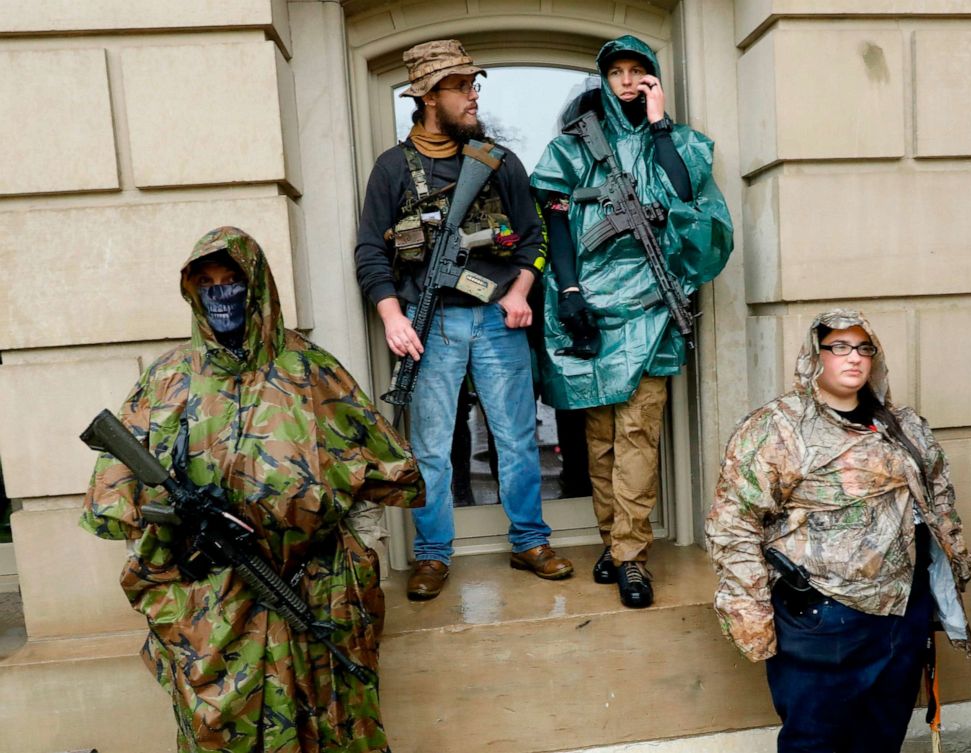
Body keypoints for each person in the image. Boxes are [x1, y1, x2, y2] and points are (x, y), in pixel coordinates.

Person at [81, 227, 424, 753]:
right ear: (191, 292)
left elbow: (382, 469)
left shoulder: (309, 370)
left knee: (329, 725)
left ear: (257, 284)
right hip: (210, 602)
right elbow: (114, 492)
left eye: (233, 280)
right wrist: (172, 535)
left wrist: (357, 551)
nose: (221, 294)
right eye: (207, 282)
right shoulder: (170, 378)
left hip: (312, 587)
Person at [355, 39, 573, 600]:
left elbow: (535, 235)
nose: (473, 96)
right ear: (429, 98)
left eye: (474, 85)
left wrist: (521, 289)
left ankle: (530, 540)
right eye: (461, 87)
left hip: (498, 321)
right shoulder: (391, 169)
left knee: (517, 439)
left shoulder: (498, 160)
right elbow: (370, 254)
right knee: (429, 448)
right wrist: (391, 318)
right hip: (430, 328)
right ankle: (431, 554)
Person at [705, 309, 971, 753]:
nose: (854, 358)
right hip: (824, 618)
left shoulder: (903, 425)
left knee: (882, 735)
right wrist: (750, 613)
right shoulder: (777, 428)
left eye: (864, 348)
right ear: (816, 355)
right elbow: (734, 523)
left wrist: (948, 580)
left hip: (902, 613)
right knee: (815, 740)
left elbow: (940, 498)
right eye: (840, 348)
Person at [530, 35, 734, 608]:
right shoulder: (574, 148)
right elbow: (559, 224)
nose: (625, 81)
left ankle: (631, 557)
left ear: (652, 78)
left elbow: (688, 194)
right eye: (615, 72)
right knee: (599, 444)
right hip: (591, 309)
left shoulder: (678, 141)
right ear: (603, 79)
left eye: (637, 71)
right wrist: (569, 291)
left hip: (651, 308)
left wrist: (660, 124)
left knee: (638, 435)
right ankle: (613, 542)